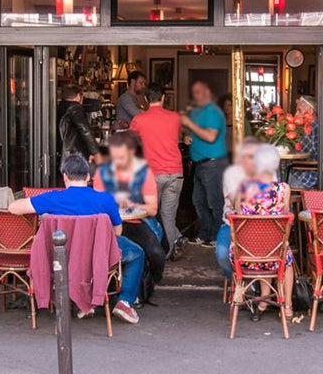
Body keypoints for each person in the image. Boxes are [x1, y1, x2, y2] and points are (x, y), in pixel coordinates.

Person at [8, 154, 144, 324]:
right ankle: (124, 302)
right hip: (97, 256)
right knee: (138, 253)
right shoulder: (105, 198)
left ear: (65, 176)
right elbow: (117, 231)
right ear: (87, 177)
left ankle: (82, 301)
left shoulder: (52, 198)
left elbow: (13, 208)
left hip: (63, 256)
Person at [93, 131, 166, 297]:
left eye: (122, 157)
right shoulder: (102, 173)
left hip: (135, 223)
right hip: (110, 223)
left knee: (156, 253)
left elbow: (152, 209)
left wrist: (131, 204)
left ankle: (149, 282)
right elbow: (98, 205)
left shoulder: (144, 173)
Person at [234, 144, 295, 318]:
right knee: (286, 259)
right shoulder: (283, 189)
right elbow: (286, 219)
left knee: (262, 247)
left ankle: (263, 301)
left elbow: (238, 218)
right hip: (274, 256)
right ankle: (287, 306)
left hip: (245, 256)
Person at [130, 82, 184, 260]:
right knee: (169, 215)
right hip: (175, 172)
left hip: (152, 174)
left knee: (147, 213)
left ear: (146, 99)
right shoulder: (175, 117)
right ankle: (168, 253)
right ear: (163, 98)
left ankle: (153, 252)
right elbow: (175, 137)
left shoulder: (139, 119)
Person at [181, 80, 228, 247]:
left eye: (199, 92)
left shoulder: (213, 112)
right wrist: (186, 136)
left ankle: (216, 236)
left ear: (208, 93)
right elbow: (192, 131)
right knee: (198, 202)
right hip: (199, 164)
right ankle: (204, 233)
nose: (196, 96)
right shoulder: (197, 112)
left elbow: (210, 136)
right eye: (194, 93)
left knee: (214, 202)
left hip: (213, 164)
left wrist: (189, 123)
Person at [215, 137, 259, 278]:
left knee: (264, 255)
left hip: (259, 225)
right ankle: (235, 280)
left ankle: (254, 282)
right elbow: (236, 202)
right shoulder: (231, 174)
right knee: (222, 255)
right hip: (232, 225)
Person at [58, 84, 103, 167]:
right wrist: (95, 152)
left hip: (63, 153)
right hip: (74, 154)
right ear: (78, 96)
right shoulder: (74, 107)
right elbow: (84, 129)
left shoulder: (61, 106)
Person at [288, 95, 319, 189]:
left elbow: (299, 152)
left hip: (306, 176)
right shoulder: (315, 125)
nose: (295, 115)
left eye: (299, 110)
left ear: (311, 111)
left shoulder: (312, 127)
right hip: (310, 173)